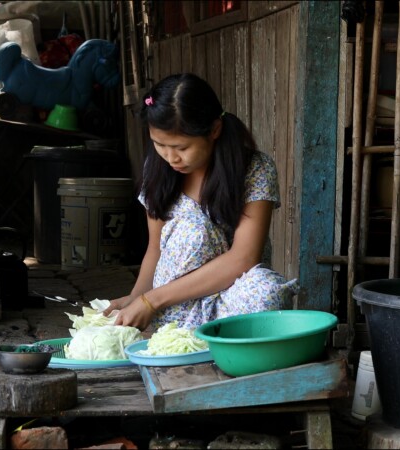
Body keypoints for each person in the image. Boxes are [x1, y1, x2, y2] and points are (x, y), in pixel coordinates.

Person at [104, 73, 298, 331]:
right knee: (193, 232)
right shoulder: (157, 167)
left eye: (182, 148)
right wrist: (136, 299)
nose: (171, 157)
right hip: (175, 307)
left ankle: (216, 339)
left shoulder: (255, 168)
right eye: (160, 145)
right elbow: (155, 249)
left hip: (231, 299)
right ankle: (186, 336)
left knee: (267, 290)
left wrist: (150, 300)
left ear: (214, 130)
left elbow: (244, 258)